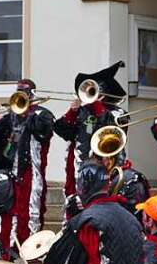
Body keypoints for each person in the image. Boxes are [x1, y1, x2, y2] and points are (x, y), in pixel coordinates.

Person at [0, 79, 55, 247]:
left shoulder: (42, 114)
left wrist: (27, 114)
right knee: (9, 210)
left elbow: (44, 132)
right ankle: (9, 245)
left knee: (30, 210)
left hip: (30, 169)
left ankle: (29, 246)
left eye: (25, 91)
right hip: (9, 169)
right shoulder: (10, 115)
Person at [53, 62, 128, 198]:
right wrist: (72, 112)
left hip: (106, 165)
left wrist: (98, 107)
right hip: (80, 163)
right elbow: (61, 130)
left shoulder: (119, 112)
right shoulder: (82, 111)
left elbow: (113, 129)